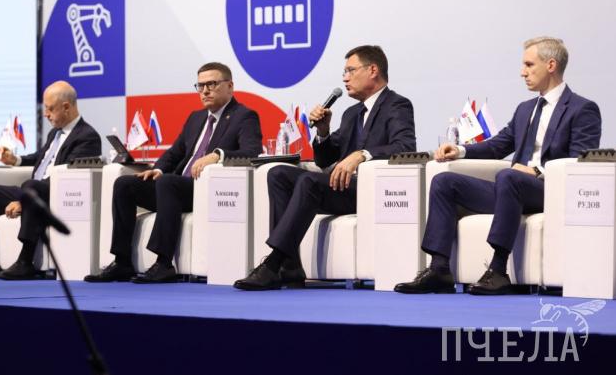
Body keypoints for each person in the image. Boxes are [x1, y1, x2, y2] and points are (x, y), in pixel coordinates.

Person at [395, 37, 601, 296]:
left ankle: (498, 269)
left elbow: (579, 160)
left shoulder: (582, 109)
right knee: (445, 182)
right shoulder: (525, 109)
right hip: (512, 189)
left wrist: (538, 171)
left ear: (551, 65)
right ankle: (439, 270)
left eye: (529, 65)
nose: (522, 72)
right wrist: (460, 150)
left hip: (549, 190)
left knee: (508, 176)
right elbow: (498, 145)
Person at [234, 45, 417, 290]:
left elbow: (405, 146)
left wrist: (362, 155)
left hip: (371, 191)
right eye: (344, 72)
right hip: (342, 187)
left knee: (308, 181)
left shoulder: (397, 105)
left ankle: (273, 263)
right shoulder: (352, 113)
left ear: (373, 70)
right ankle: (291, 266)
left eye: (351, 70)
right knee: (278, 173)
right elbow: (324, 160)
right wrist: (322, 132)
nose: (345, 78)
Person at [86, 62, 263, 284]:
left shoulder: (244, 116)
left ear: (230, 86)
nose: (205, 91)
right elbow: (174, 153)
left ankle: (163, 263)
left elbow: (252, 152)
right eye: (200, 86)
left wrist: (217, 155)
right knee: (125, 185)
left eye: (212, 84)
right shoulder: (196, 118)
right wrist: (157, 169)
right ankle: (122, 262)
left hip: (206, 189)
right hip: (175, 188)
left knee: (168, 182)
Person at [0, 81, 101, 280]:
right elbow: (42, 158)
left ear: (66, 107)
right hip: (31, 190)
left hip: (54, 194)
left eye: (50, 109)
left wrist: (24, 200)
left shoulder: (87, 136)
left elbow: (68, 178)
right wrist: (16, 160)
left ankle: (25, 261)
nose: (46, 114)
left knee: (31, 186)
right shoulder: (55, 132)